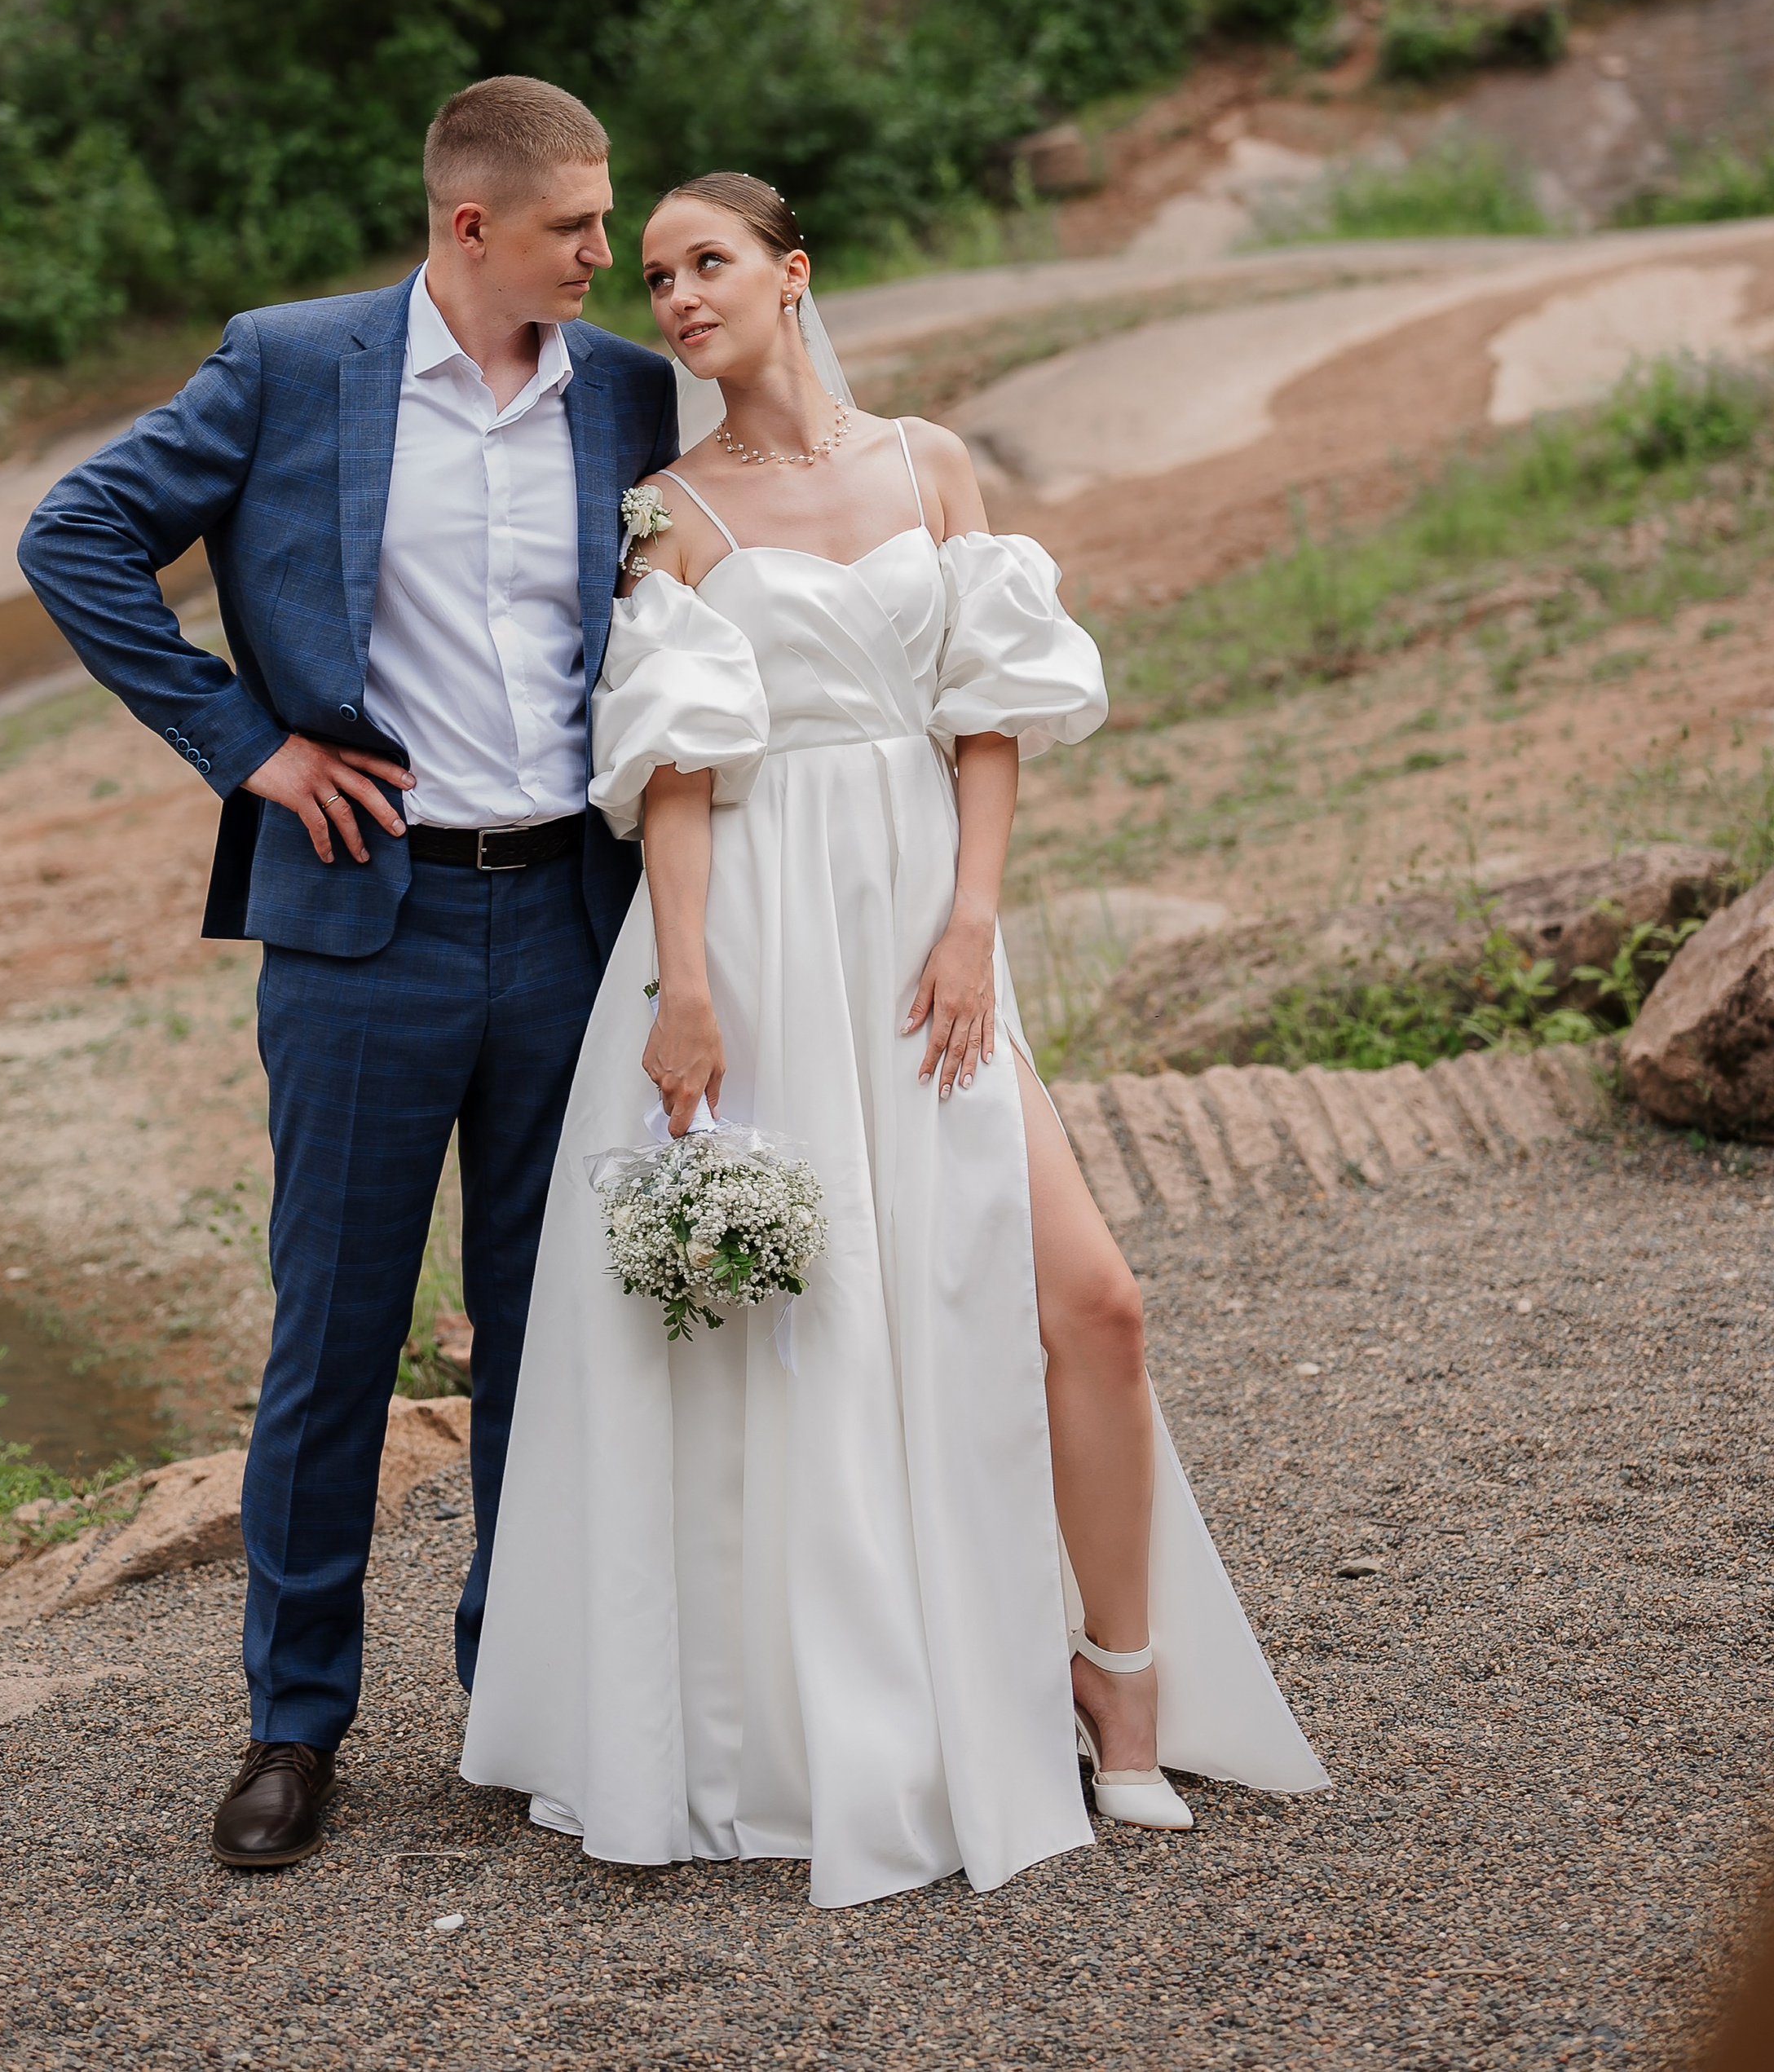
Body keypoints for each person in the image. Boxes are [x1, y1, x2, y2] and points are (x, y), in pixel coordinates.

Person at [461, 171, 1326, 1909]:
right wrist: (686, 988)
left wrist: (970, 918)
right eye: (652, 273)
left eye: (707, 261)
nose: (678, 293)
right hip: (760, 934)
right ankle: (822, 1713)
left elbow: (985, 707)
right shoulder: (669, 511)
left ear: (792, 273)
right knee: (819, 1327)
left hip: (926, 934)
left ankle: (1119, 1686)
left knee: (1087, 1295)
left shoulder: (932, 465)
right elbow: (680, 774)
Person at [18, 77, 677, 1868]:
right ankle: (292, 1726)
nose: (603, 255)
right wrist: (243, 743)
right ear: (469, 226)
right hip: (355, 920)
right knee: (332, 1337)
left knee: (556, 1332)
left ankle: (516, 1700)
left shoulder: (624, 388)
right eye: (573, 227)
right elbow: (72, 537)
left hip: (570, 924)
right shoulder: (290, 363)